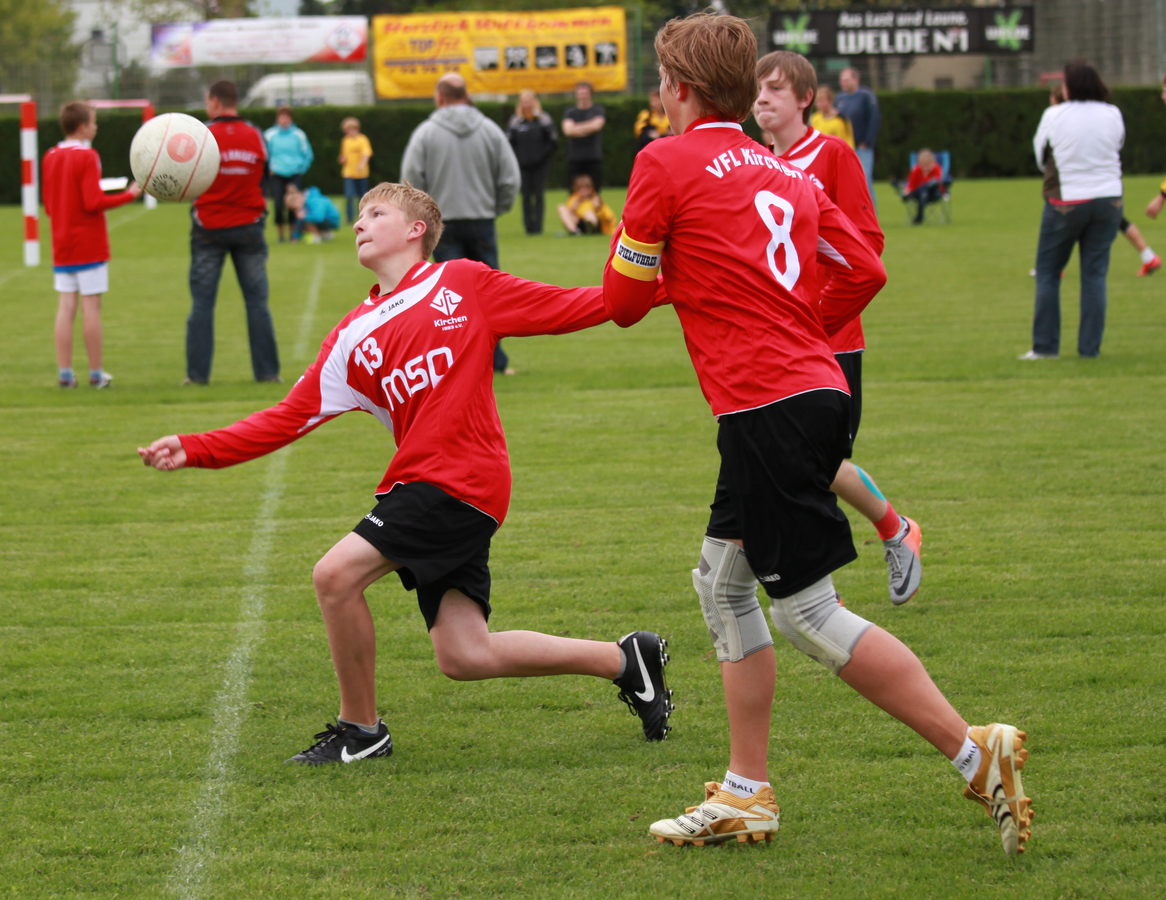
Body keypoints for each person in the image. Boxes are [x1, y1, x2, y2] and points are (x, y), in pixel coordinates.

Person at [602, 12, 1032, 856]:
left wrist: (668, 270)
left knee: (806, 613)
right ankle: (746, 793)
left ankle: (973, 751)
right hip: (810, 390)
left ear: (680, 88)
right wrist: (802, 330)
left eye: (661, 79)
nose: (659, 92)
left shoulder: (664, 159)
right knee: (722, 586)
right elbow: (865, 266)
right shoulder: (785, 167)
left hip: (766, 406)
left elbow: (623, 303)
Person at [137, 181, 673, 766]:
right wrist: (196, 447)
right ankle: (625, 660)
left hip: (460, 480)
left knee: (335, 576)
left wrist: (678, 283)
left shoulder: (462, 283)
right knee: (464, 655)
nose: (359, 223)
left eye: (375, 213)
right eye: (359, 215)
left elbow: (578, 305)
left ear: (416, 230)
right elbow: (286, 418)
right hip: (430, 487)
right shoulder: (351, 335)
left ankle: (361, 732)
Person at [755, 50, 922, 606]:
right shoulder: (754, 162)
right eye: (757, 89)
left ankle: (887, 536)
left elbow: (866, 244)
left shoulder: (832, 155)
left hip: (832, 336)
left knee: (816, 464)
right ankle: (827, 582)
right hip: (775, 339)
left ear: (806, 98)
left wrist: (817, 305)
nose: (762, 99)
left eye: (775, 89)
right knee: (787, 463)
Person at [401, 72, 522, 375]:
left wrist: (422, 218)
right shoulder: (490, 130)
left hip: (443, 225)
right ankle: (496, 361)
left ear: (440, 97)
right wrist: (496, 207)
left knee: (450, 300)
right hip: (482, 219)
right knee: (489, 294)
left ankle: (458, 362)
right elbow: (510, 177)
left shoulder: (426, 133)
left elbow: (410, 180)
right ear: (466, 95)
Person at [1025, 61, 1124, 360]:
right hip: (1109, 199)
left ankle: (1045, 347)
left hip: (1067, 201)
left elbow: (1040, 155)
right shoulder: (1112, 112)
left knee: (1048, 272)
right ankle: (1089, 349)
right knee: (1095, 275)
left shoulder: (1054, 115)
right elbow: (1118, 146)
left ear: (1071, 86)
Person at [42, 100, 142, 389]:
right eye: (94, 122)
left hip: (62, 243)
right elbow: (92, 201)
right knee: (91, 308)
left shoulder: (50, 156)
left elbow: (49, 204)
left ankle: (65, 374)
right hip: (88, 244)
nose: (96, 127)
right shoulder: (87, 156)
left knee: (65, 307)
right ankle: (96, 374)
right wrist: (129, 195)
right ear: (83, 126)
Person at [187, 80, 281, 385]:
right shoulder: (255, 134)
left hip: (208, 228)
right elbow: (265, 177)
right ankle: (268, 374)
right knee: (257, 303)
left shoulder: (202, 134)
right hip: (249, 227)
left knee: (202, 304)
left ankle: (197, 377)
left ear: (215, 102)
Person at [1048, 80, 1158, 277]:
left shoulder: (1066, 121)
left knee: (1070, 219)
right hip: (1107, 184)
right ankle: (1148, 256)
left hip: (1082, 184)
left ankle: (1054, 266)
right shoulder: (1104, 117)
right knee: (1115, 220)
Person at [506, 90, 557, 235]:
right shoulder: (515, 121)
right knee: (526, 196)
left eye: (529, 101)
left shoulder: (543, 119)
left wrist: (543, 156)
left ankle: (538, 227)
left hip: (540, 165)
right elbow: (509, 142)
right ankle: (528, 227)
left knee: (539, 195)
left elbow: (552, 141)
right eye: (524, 101)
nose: (527, 104)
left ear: (534, 102)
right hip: (522, 165)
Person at [264, 107, 314, 243]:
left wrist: (301, 168)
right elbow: (264, 154)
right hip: (276, 174)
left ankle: (293, 234)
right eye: (282, 117)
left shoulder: (299, 134)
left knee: (293, 204)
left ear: (291, 119)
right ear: (277, 118)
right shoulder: (269, 134)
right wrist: (268, 169)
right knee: (278, 204)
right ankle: (281, 235)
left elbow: (308, 154)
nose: (284, 120)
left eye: (287, 117)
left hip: (294, 174)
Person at [835, 66, 880, 208]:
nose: (843, 83)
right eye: (842, 80)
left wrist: (867, 141)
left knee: (864, 180)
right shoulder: (839, 98)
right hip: (844, 148)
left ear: (856, 80)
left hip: (862, 147)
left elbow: (874, 119)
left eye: (846, 80)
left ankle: (871, 213)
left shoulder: (866, 96)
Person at [561, 81, 606, 190]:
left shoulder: (598, 110)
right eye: (580, 93)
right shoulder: (570, 112)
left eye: (585, 93)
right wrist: (588, 127)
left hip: (593, 158)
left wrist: (576, 127)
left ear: (590, 94)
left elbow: (597, 126)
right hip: (574, 159)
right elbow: (568, 131)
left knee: (595, 191)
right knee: (574, 192)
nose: (583, 96)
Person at [338, 116, 372, 225]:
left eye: (351, 129)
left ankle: (363, 216)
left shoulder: (363, 139)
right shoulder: (345, 140)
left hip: (361, 173)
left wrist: (362, 164)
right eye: (347, 130)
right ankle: (349, 219)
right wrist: (342, 159)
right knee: (349, 195)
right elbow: (344, 155)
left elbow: (366, 153)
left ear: (356, 128)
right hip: (348, 172)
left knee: (362, 197)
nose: (349, 132)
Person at [901, 147, 946, 225]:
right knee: (921, 190)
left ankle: (919, 217)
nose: (925, 167)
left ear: (932, 162)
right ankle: (919, 216)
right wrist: (905, 192)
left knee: (927, 187)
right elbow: (911, 185)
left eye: (928, 164)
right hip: (918, 195)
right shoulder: (916, 170)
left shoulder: (936, 169)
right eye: (923, 164)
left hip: (933, 194)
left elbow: (939, 183)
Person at [633, 88, 671, 155]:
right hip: (650, 151)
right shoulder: (646, 115)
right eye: (651, 100)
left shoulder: (670, 116)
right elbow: (640, 134)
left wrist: (658, 135)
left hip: (667, 151)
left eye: (656, 100)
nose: (652, 103)